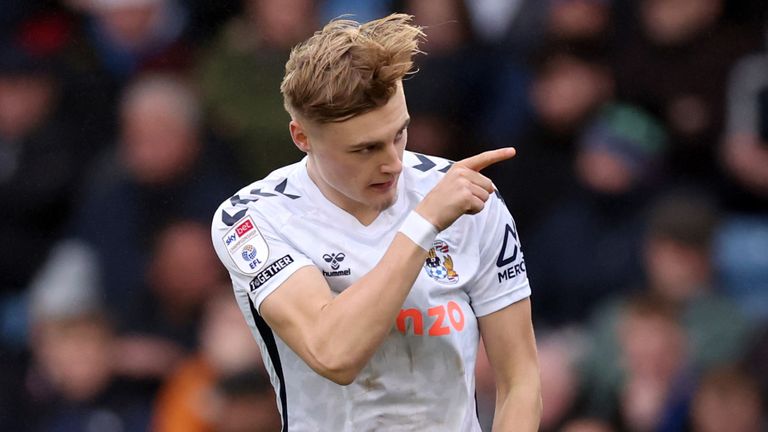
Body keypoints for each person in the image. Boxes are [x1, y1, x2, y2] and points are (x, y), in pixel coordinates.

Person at [211, 13, 541, 431]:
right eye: (364, 149)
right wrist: (423, 225)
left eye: (399, 134)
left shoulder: (467, 199)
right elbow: (333, 354)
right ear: (302, 138)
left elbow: (520, 379)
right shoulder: (254, 218)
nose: (392, 163)